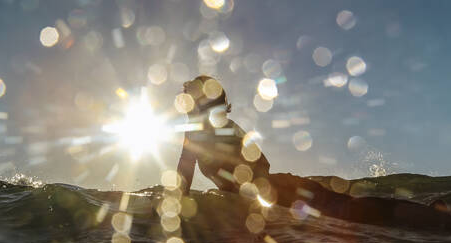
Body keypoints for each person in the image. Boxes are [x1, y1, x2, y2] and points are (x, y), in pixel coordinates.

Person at [176, 76, 451, 229]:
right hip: (280, 191)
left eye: (191, 97)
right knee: (354, 212)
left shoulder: (213, 129)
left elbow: (188, 171)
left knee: (355, 211)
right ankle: (431, 213)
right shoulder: (203, 129)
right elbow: (186, 171)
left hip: (282, 190)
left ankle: (433, 214)